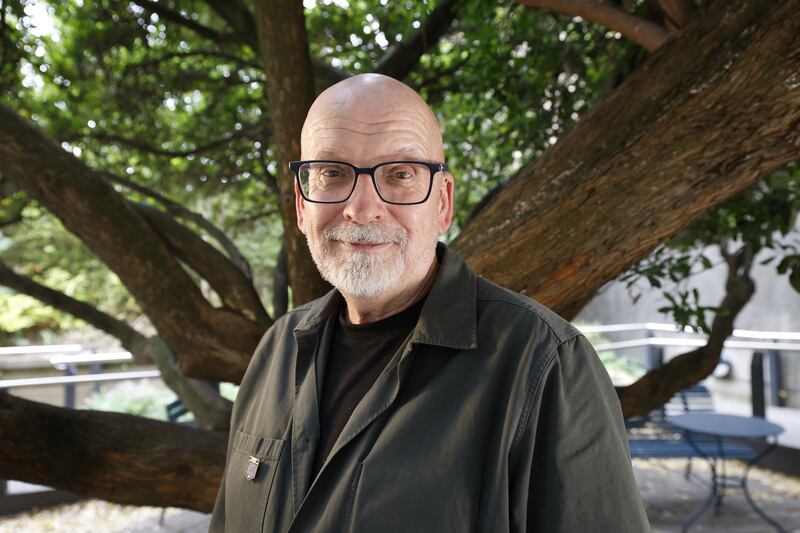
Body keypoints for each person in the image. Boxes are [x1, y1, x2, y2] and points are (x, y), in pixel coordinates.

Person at [209, 73, 650, 532]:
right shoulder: (276, 350)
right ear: (303, 205)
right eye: (333, 173)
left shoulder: (544, 363)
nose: (362, 208)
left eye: (400, 174)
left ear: (442, 203)